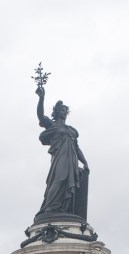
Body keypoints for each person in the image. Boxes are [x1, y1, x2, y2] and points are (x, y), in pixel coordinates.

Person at [34, 85, 89, 221]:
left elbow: (77, 148)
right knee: (59, 180)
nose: (64, 112)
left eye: (65, 110)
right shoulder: (52, 125)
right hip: (60, 158)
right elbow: (40, 116)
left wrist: (85, 162)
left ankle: (64, 208)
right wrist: (41, 98)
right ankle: (49, 208)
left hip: (72, 159)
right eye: (62, 110)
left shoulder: (71, 130)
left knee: (70, 184)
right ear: (57, 112)